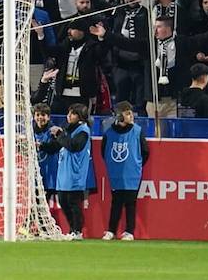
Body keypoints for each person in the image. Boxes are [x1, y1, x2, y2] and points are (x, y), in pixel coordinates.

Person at [101, 101, 147, 241]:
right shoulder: (109, 133)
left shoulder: (137, 131)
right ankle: (111, 230)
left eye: (131, 112)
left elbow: (145, 151)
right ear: (119, 116)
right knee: (116, 202)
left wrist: (137, 165)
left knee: (130, 202)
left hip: (132, 174)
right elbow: (104, 152)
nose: (131, 116)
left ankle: (129, 231)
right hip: (116, 174)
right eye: (127, 113)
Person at [51, 102, 92, 239]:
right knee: (63, 201)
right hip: (63, 173)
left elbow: (73, 146)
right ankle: (72, 229)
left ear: (80, 117)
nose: (69, 116)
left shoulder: (83, 131)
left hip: (75, 173)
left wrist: (60, 135)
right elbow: (57, 146)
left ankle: (77, 231)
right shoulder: (67, 130)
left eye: (73, 113)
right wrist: (42, 146)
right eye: (69, 113)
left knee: (73, 203)